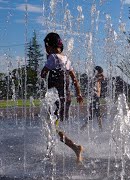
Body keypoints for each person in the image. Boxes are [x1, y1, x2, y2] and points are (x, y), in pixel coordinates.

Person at [41, 32, 84, 164]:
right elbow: (75, 79)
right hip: (66, 99)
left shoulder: (52, 57)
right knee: (53, 126)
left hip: (55, 100)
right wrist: (79, 94)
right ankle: (49, 152)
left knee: (52, 127)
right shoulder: (66, 60)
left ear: (49, 46)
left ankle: (75, 147)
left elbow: (43, 73)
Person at [81, 66, 105, 131]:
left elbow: (102, 78)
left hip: (95, 98)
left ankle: (83, 127)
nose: (102, 74)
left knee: (92, 115)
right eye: (101, 73)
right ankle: (101, 129)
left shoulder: (96, 78)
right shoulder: (95, 78)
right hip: (95, 98)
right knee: (97, 114)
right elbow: (102, 78)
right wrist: (100, 76)